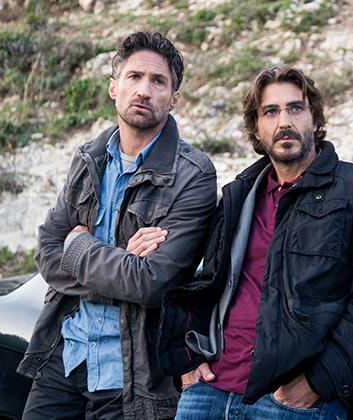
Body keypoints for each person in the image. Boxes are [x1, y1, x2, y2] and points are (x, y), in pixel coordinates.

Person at [156, 66, 353, 419]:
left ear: (315, 118)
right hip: (209, 390)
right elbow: (206, 285)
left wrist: (316, 382)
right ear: (256, 127)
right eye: (270, 112)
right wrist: (188, 361)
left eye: (296, 108)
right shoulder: (239, 195)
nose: (284, 121)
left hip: (290, 401)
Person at [17, 31, 217, 419]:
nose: (144, 90)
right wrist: (123, 260)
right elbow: (47, 252)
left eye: (158, 81)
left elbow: (152, 283)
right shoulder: (88, 158)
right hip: (65, 356)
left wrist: (79, 247)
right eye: (134, 77)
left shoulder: (192, 175)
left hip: (130, 375)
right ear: (114, 87)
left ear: (174, 98)